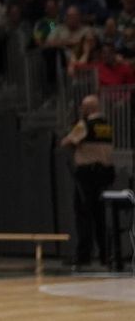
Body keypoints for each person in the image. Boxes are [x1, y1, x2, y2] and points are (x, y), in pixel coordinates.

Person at [59, 94, 115, 269]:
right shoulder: (107, 126)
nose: (80, 110)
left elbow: (66, 142)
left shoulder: (84, 125)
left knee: (83, 215)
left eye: (83, 107)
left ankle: (84, 256)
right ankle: (106, 255)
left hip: (87, 175)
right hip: (105, 174)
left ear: (88, 109)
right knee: (100, 216)